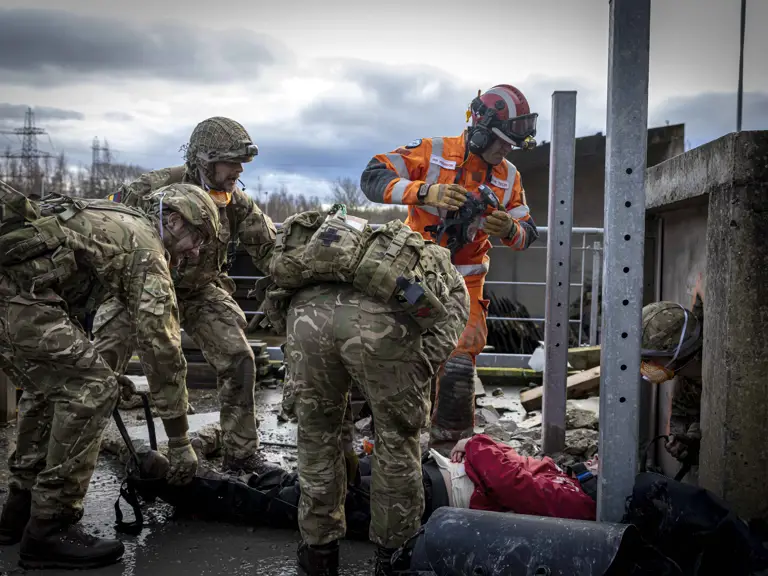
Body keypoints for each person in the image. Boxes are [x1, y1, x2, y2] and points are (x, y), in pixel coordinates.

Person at [0, 180, 219, 569]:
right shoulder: (148, 250)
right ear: (173, 219)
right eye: (198, 236)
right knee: (93, 389)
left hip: (16, 294)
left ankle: (20, 508)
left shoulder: (114, 216)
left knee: (50, 386)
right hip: (17, 300)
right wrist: (180, 439)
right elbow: (162, 346)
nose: (197, 251)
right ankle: (51, 526)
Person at [267, 209, 469, 576]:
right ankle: (393, 558)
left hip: (306, 317)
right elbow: (450, 317)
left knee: (317, 435)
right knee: (396, 439)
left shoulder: (323, 255)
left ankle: (318, 554)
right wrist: (421, 364)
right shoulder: (432, 264)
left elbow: (282, 309)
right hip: (379, 324)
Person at [359, 84, 539, 452]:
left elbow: (527, 233)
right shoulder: (434, 153)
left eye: (510, 145)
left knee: (458, 365)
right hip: (415, 273)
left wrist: (509, 228)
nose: (505, 150)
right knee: (395, 355)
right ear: (480, 128)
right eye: (501, 142)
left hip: (466, 282)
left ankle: (450, 453)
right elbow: (372, 177)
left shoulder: (509, 177)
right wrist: (424, 192)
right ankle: (387, 440)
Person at [96, 116, 278, 474]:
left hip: (199, 290)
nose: (238, 171)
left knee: (239, 358)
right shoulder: (150, 189)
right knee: (96, 369)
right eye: (232, 162)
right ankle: (67, 463)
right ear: (206, 160)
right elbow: (108, 233)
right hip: (134, 289)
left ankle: (241, 455)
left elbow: (270, 249)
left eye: (242, 164)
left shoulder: (235, 201)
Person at [640, 287, 704, 465]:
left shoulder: (727, 363)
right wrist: (686, 444)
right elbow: (685, 429)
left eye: (648, 358)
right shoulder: (685, 389)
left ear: (677, 349)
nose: (645, 366)